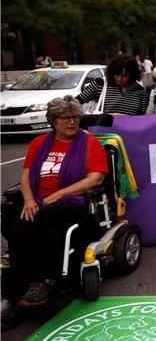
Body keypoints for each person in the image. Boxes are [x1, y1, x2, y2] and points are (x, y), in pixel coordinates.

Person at [2, 96, 108, 325]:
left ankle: (46, 279)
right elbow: (26, 175)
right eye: (65, 118)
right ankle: (16, 296)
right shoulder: (39, 143)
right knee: (18, 229)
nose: (72, 122)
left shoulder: (88, 143)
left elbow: (96, 177)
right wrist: (29, 199)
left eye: (75, 117)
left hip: (75, 202)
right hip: (39, 201)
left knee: (45, 216)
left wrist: (60, 193)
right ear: (52, 121)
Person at [77, 55, 148, 116]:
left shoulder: (139, 90)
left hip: (129, 130)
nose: (119, 79)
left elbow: (142, 117)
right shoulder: (100, 84)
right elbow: (76, 102)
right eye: (117, 74)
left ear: (132, 75)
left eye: (125, 76)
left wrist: (125, 117)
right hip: (104, 130)